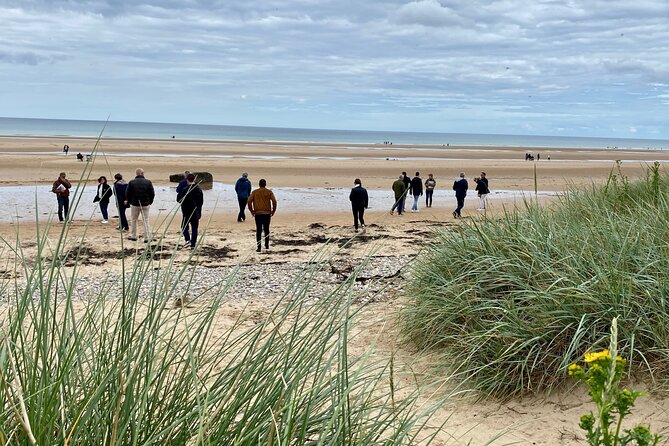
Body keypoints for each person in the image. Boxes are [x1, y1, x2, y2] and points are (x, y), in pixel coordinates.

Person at [125, 168, 155, 242]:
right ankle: (147, 237)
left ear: (136, 174)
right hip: (145, 204)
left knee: (134, 220)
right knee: (146, 220)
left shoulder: (132, 182)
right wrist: (150, 202)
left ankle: (134, 235)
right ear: (142, 174)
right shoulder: (148, 182)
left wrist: (130, 201)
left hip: (135, 204)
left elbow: (127, 193)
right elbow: (152, 193)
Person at [247, 179, 277, 252]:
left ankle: (259, 247)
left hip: (258, 213)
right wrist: (273, 211)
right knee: (266, 230)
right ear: (265, 184)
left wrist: (252, 211)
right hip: (267, 213)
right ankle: (266, 245)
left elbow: (249, 201)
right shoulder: (269, 192)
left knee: (259, 230)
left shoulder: (255, 192)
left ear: (259, 184)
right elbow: (274, 201)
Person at [180, 173, 204, 250]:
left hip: (187, 211)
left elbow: (179, 199)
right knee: (194, 228)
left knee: (184, 226)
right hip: (195, 211)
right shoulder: (198, 189)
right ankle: (192, 244)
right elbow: (201, 201)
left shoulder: (186, 189)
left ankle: (188, 240)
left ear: (187, 180)